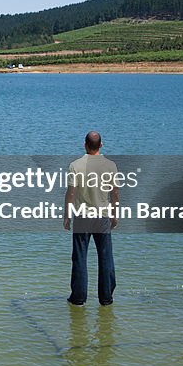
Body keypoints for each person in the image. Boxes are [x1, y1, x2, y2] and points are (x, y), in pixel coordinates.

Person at [63, 131, 119, 306]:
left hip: (82, 216)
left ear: (85, 145)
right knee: (105, 257)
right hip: (102, 216)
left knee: (80, 257)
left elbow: (71, 193)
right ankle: (106, 297)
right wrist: (115, 213)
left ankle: (78, 298)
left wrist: (66, 215)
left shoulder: (75, 165)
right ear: (101, 145)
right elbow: (115, 193)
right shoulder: (110, 165)